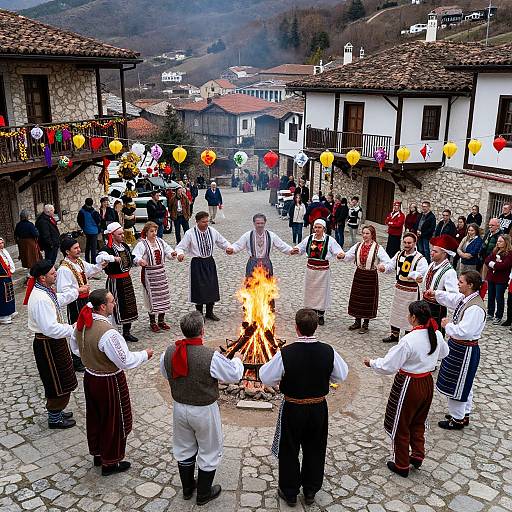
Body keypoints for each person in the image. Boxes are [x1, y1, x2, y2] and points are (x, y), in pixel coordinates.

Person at [260, 308, 348, 507]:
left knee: (289, 448)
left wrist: (283, 378)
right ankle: (310, 490)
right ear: (316, 327)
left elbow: (265, 376)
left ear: (296, 328)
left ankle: (290, 492)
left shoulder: (287, 353)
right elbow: (341, 375)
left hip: (293, 407)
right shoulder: (328, 351)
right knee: (315, 447)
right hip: (318, 408)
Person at [160, 311, 244, 505]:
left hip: (180, 408)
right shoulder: (210, 356)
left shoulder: (169, 351)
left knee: (184, 447)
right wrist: (238, 359)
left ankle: (188, 489)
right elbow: (233, 375)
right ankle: (204, 493)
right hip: (204, 410)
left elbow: (165, 373)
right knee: (209, 449)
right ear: (202, 330)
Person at [71, 289, 153, 475]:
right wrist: (144, 355)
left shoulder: (81, 323)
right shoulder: (108, 333)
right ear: (102, 306)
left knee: (96, 417)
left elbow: (76, 348)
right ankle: (111, 463)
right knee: (113, 420)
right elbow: (124, 360)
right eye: (112, 302)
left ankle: (99, 455)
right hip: (109, 381)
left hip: (91, 377)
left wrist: (91, 358)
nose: (114, 304)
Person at [363, 300, 448, 477]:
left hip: (409, 384)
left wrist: (371, 363)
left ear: (413, 317)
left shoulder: (409, 340)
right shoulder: (436, 335)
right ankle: (417, 454)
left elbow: (388, 365)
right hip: (427, 382)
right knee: (418, 420)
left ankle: (401, 463)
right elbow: (444, 353)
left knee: (401, 422)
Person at [25, 259, 78, 429]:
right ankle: (54, 418)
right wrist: (72, 329)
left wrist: (76, 292)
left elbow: (58, 300)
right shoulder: (40, 298)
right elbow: (50, 328)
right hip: (48, 344)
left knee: (63, 377)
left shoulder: (45, 291)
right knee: (56, 380)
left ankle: (58, 410)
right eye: (52, 273)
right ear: (42, 278)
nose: (56, 274)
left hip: (53, 342)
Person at [435, 271, 485, 430]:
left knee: (458, 384)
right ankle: (464, 414)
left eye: (461, 282)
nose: (458, 284)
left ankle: (457, 419)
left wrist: (447, 325)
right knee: (465, 384)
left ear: (470, 285)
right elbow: (451, 298)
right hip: (459, 347)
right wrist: (435, 293)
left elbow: (465, 332)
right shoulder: (466, 299)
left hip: (465, 349)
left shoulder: (475, 308)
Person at [56, 238, 104, 371]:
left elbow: (90, 269)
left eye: (78, 247)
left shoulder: (79, 262)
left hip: (85, 299)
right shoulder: (64, 270)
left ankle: (86, 354)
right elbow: (62, 292)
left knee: (88, 326)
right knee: (78, 328)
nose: (79, 250)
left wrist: (100, 266)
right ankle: (76, 360)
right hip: (75, 303)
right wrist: (78, 290)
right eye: (75, 248)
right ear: (67, 251)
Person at [175, 211, 230, 321]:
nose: (206, 224)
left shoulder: (212, 231)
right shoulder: (190, 233)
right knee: (199, 288)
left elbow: (222, 242)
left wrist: (228, 247)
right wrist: (180, 254)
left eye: (207, 221)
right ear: (197, 222)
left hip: (209, 261)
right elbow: (180, 247)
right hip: (197, 263)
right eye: (203, 222)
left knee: (211, 286)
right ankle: (199, 314)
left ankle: (209, 312)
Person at [96, 222, 143, 342]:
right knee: (115, 305)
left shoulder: (125, 246)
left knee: (129, 305)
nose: (122, 235)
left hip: (127, 280)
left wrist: (138, 261)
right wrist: (112, 258)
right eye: (120, 234)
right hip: (115, 281)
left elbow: (131, 258)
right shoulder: (107, 249)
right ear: (112, 235)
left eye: (122, 233)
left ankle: (127, 332)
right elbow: (100, 258)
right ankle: (114, 331)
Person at [292, 219, 344, 325]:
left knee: (322, 292)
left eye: (319, 227)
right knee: (310, 291)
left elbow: (337, 250)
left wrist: (340, 254)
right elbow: (301, 247)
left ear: (324, 228)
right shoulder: (309, 238)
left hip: (322, 271)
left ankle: (320, 314)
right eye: (315, 227)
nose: (317, 229)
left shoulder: (329, 240)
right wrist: (296, 249)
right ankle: (312, 314)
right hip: (310, 270)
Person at [378, 233, 428, 343]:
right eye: (405, 242)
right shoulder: (399, 254)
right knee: (396, 312)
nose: (406, 245)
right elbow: (391, 266)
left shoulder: (420, 258)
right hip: (399, 288)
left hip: (411, 291)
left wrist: (415, 276)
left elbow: (422, 272)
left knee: (411, 313)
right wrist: (384, 268)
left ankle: (408, 337)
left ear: (414, 243)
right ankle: (394, 335)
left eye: (409, 243)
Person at [341, 225, 391, 334]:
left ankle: (365, 324)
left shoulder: (378, 248)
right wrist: (342, 256)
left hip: (370, 276)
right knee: (357, 298)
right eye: (363, 233)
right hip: (359, 274)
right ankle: (357, 321)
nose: (365, 235)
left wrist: (383, 267)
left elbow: (388, 261)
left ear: (372, 234)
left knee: (367, 299)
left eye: (367, 233)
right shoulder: (358, 245)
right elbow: (349, 256)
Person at [133, 221, 175, 332]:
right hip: (149, 274)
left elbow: (168, 251)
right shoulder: (142, 244)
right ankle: (152, 322)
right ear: (146, 232)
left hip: (161, 273)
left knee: (163, 296)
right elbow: (135, 255)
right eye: (151, 231)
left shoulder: (160, 242)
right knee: (151, 298)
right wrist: (140, 260)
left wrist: (173, 254)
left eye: (155, 231)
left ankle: (161, 320)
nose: (154, 233)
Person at [228, 214, 292, 277]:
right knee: (251, 285)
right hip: (252, 263)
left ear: (265, 223)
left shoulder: (271, 235)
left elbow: (281, 245)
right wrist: (232, 249)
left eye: (262, 223)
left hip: (266, 263)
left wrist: (291, 250)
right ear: (254, 223)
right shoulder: (248, 235)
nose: (260, 225)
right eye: (258, 223)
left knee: (267, 285)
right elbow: (238, 245)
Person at [422, 235, 459, 329]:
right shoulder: (432, 265)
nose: (431, 253)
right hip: (425, 305)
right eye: (432, 250)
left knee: (434, 336)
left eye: (435, 251)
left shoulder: (450, 272)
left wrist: (437, 294)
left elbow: (454, 297)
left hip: (436, 309)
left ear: (444, 254)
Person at [484, 234, 512, 325]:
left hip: (501, 279)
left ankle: (499, 315)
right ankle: (490, 313)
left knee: (499, 297)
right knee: (491, 296)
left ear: (506, 242)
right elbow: (487, 260)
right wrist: (494, 264)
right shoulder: (496, 250)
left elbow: (504, 265)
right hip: (492, 277)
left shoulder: (509, 253)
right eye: (498, 241)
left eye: (500, 241)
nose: (498, 243)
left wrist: (494, 265)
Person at [77, 198, 101, 264]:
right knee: (93, 247)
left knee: (87, 246)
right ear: (92, 203)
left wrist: (83, 228)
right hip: (94, 231)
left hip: (86, 230)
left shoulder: (81, 211)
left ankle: (87, 260)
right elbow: (98, 221)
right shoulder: (94, 212)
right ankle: (93, 262)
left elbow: (79, 221)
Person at [0, 237, 16, 324]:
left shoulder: (4, 251)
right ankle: (3, 315)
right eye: (0, 243)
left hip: (7, 275)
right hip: (1, 277)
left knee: (9, 294)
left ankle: (10, 311)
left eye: (2, 243)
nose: (2, 245)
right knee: (3, 296)